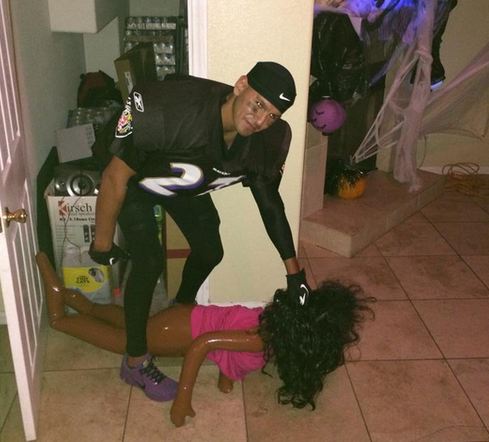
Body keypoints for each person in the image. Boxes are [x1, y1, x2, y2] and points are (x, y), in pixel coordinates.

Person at [88, 61, 312, 401]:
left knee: (210, 249)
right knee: (149, 261)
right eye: (258, 104)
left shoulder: (264, 139)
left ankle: (181, 306)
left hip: (177, 179)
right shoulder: (173, 110)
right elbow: (113, 177)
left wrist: (295, 275)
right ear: (240, 86)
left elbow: (270, 204)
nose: (260, 120)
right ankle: (135, 362)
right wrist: (102, 244)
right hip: (134, 181)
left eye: (272, 115)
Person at [36, 252, 374, 427]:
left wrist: (228, 376)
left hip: (183, 321)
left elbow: (227, 346)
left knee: (132, 324)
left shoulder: (272, 326)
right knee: (127, 340)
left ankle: (77, 300)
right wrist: (183, 397)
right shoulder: (261, 338)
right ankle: (60, 318)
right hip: (179, 331)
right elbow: (204, 344)